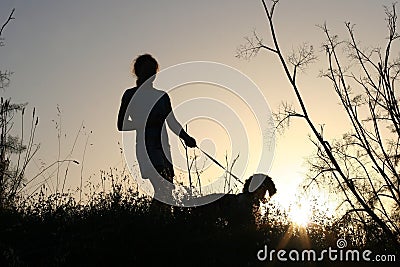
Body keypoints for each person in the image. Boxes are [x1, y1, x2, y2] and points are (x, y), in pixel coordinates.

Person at [117, 54, 196, 203]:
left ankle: (160, 221)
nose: (150, 74)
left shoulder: (162, 96)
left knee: (168, 187)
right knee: (161, 186)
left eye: (153, 71)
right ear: (138, 72)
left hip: (164, 147)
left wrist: (186, 137)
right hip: (146, 146)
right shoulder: (130, 95)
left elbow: (172, 122)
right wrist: (145, 122)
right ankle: (156, 222)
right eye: (147, 70)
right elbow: (121, 125)